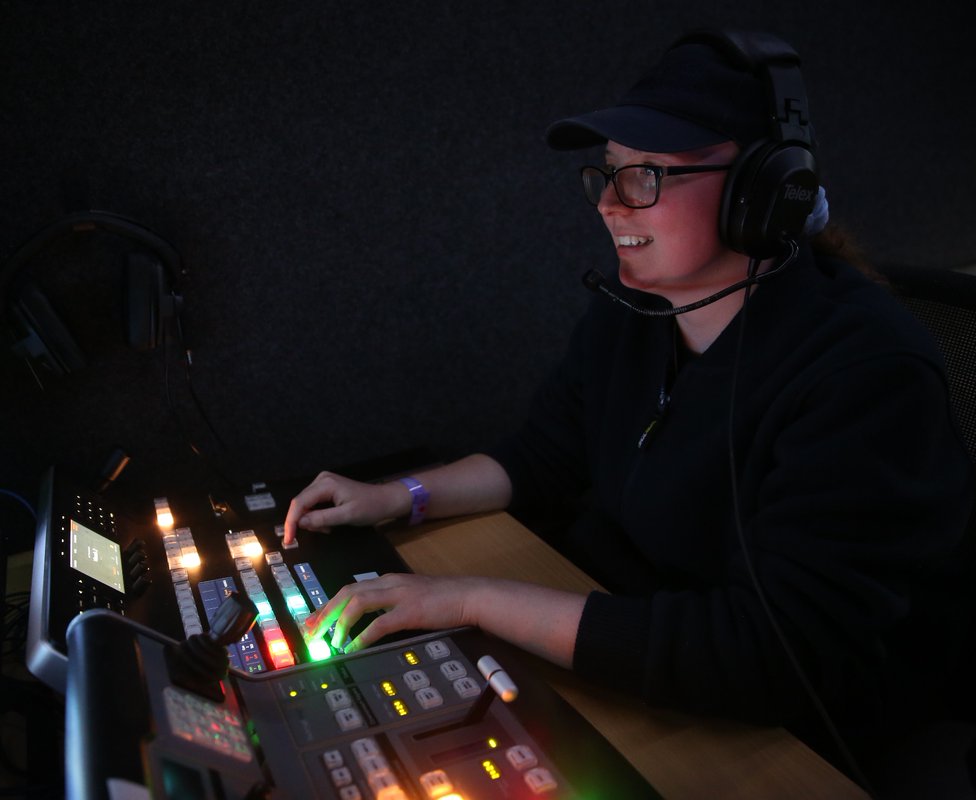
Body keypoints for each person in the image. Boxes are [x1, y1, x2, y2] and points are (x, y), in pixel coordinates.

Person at [282, 28, 974, 779]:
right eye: (607, 174)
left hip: (799, 735)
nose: (610, 204)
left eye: (647, 175)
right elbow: (543, 456)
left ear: (764, 191)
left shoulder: (864, 371)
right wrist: (396, 497)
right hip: (631, 643)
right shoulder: (637, 311)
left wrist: (475, 598)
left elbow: (774, 655)